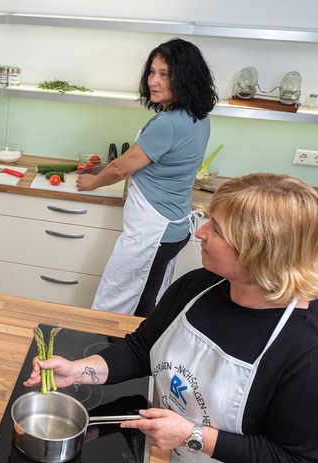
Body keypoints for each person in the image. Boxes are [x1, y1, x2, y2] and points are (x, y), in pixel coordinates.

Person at [26, 173, 318, 463]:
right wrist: (80, 370)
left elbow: (294, 461)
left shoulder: (317, 354)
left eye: (218, 228)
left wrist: (191, 434)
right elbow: (140, 349)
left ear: (261, 249)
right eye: (207, 218)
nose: (200, 232)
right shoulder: (200, 286)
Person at [77, 38, 218, 316]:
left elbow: (120, 168)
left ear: (186, 78)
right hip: (174, 227)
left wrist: (91, 182)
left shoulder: (167, 123)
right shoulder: (199, 117)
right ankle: (137, 356)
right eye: (152, 72)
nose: (153, 81)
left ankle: (103, 352)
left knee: (115, 300)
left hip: (152, 230)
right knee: (145, 301)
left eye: (164, 74)